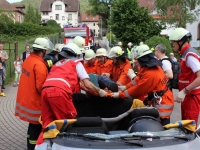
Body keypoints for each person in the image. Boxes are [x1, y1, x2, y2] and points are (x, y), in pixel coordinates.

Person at [36, 42, 107, 146]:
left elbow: (72, 82)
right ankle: (67, 145)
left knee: (48, 122)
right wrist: (100, 91)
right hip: (59, 92)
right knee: (69, 122)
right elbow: (87, 83)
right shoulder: (76, 63)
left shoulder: (58, 64)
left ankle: (40, 146)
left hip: (46, 91)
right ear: (76, 54)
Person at [112, 44, 174, 126]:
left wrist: (120, 95)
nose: (135, 61)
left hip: (162, 104)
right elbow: (138, 80)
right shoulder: (148, 67)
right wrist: (125, 87)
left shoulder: (151, 73)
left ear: (142, 58)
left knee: (160, 127)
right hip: (159, 98)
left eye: (137, 59)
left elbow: (138, 89)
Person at [14, 37, 52, 150]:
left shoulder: (28, 59)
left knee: (31, 128)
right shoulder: (39, 65)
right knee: (36, 129)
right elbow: (41, 87)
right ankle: (33, 147)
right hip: (35, 104)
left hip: (27, 100)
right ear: (43, 51)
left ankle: (30, 144)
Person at [169, 27, 200, 125]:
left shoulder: (189, 55)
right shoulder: (185, 54)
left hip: (192, 95)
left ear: (180, 41)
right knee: (185, 123)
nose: (172, 44)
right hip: (188, 95)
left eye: (174, 42)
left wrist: (185, 90)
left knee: (189, 125)